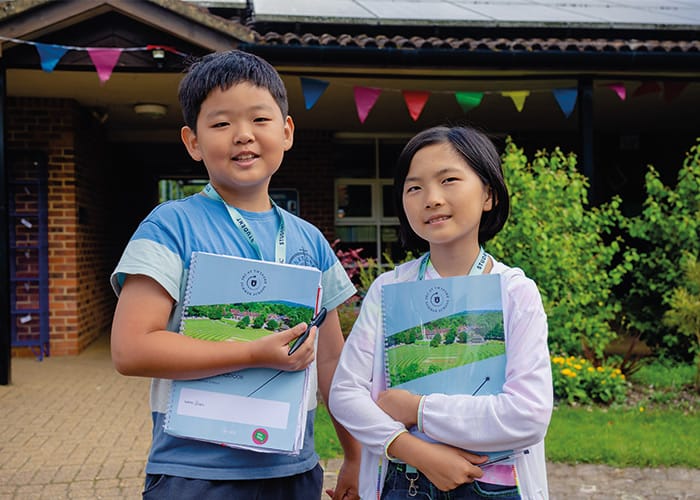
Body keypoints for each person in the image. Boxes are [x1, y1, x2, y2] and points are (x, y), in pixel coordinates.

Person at [110, 50, 360, 500]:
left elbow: (332, 364)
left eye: (260, 119)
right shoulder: (171, 227)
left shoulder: (310, 241)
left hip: (294, 469)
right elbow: (131, 349)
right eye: (222, 124)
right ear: (193, 141)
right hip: (195, 472)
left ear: (286, 132)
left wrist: (355, 456)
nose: (243, 135)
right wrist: (251, 353)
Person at [329, 125, 553, 499]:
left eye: (448, 180)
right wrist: (416, 449)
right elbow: (345, 395)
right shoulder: (389, 289)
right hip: (405, 482)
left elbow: (528, 415)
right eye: (414, 187)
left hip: (495, 486)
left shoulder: (514, 291)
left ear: (489, 195)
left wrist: (418, 410)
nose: (431, 198)